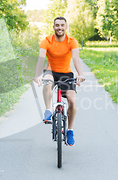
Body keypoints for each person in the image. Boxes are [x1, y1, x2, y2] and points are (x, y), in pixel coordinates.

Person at [33, 16, 85, 146]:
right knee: (47, 81)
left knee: (72, 102)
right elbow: (40, 58)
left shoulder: (72, 41)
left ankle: (70, 131)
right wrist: (37, 75)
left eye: (62, 25)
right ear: (53, 27)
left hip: (66, 73)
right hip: (51, 71)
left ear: (66, 27)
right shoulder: (46, 41)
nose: (60, 27)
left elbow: (76, 59)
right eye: (57, 25)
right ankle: (48, 111)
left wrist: (81, 74)